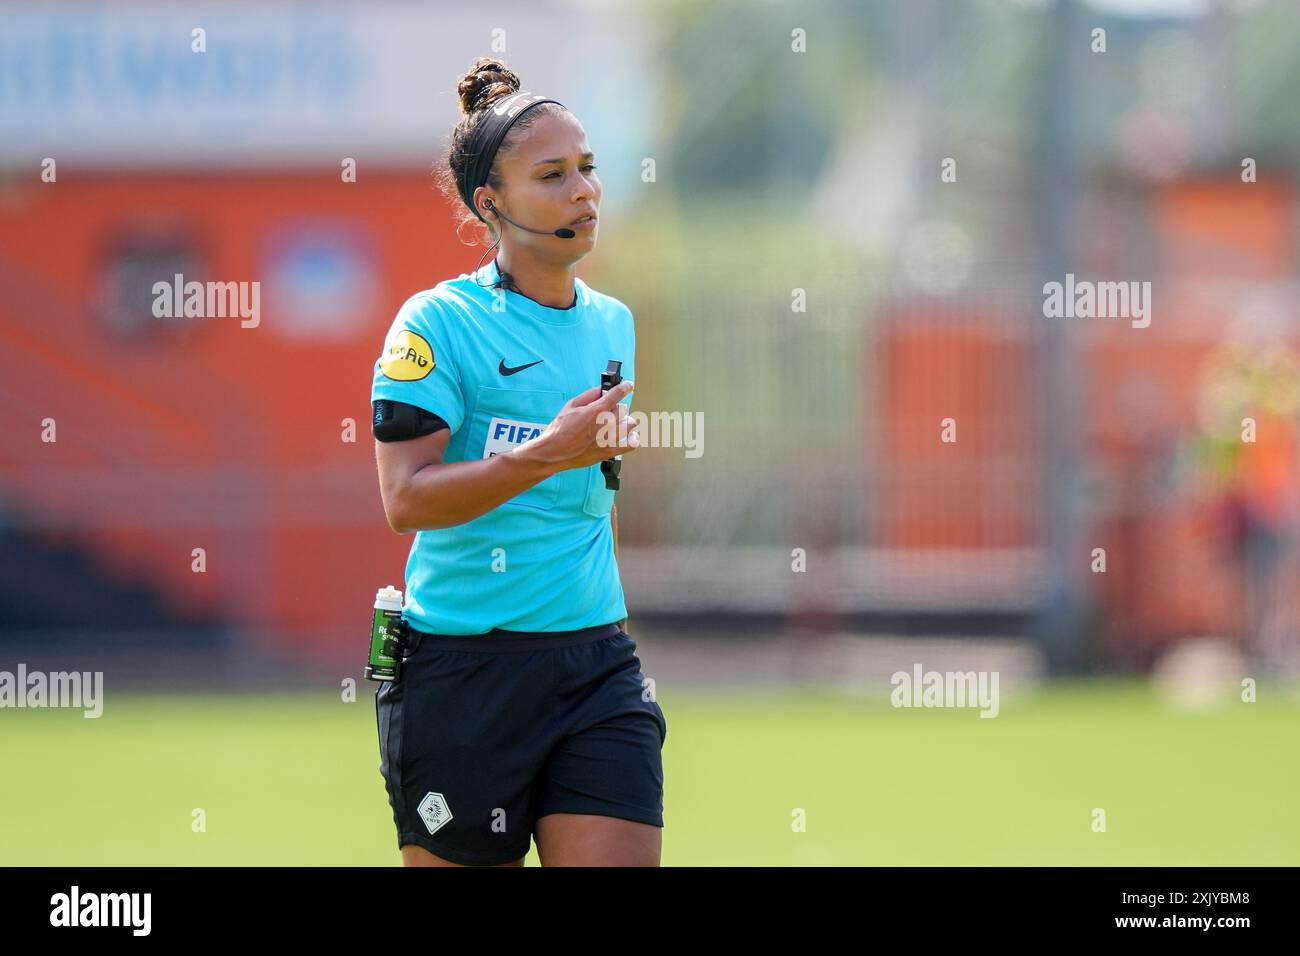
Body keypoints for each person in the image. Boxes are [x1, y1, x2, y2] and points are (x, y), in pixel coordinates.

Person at [369, 57, 667, 867]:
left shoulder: (614, 324)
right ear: (489, 203)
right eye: (553, 175)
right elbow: (406, 499)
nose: (585, 191)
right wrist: (548, 454)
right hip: (464, 673)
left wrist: (578, 462)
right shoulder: (436, 324)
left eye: (588, 169)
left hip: (596, 664)